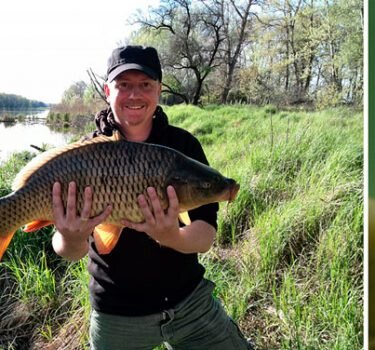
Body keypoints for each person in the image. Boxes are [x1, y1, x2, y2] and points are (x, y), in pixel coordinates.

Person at [50, 45, 251, 350]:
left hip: (189, 303)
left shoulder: (183, 147)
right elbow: (67, 250)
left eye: (145, 85)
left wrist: (171, 236)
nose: (134, 95)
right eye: (124, 85)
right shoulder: (84, 155)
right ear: (107, 90)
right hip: (117, 313)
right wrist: (70, 236)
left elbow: (206, 236)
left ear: (159, 90)